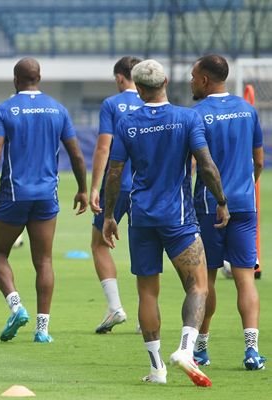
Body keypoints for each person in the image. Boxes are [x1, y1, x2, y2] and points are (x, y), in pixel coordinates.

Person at [103, 59, 228, 387]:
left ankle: (157, 369)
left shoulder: (127, 122)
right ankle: (186, 349)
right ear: (166, 82)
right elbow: (206, 165)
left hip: (141, 217)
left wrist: (108, 216)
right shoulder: (187, 118)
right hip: (178, 217)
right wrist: (222, 202)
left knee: (147, 292)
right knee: (198, 284)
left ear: (139, 89)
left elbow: (114, 173)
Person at [0, 57, 88, 344]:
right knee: (44, 261)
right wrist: (82, 188)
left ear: (16, 80)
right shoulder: (58, 110)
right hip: (46, 196)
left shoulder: (4, 110)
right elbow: (77, 155)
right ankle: (43, 329)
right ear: (39, 77)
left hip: (14, 194)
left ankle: (16, 306)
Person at [189, 54, 266, 370]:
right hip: (245, 205)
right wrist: (245, 188)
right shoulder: (248, 111)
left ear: (205, 79)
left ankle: (202, 349)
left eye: (194, 76)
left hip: (210, 207)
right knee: (245, 278)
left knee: (205, 280)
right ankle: (251, 351)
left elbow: (194, 164)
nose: (191, 81)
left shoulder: (197, 114)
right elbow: (259, 160)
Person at [89, 56, 143, 334]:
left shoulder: (112, 105)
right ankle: (144, 316)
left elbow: (103, 147)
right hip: (147, 187)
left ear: (121, 78)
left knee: (99, 243)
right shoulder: (153, 101)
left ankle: (115, 308)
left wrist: (95, 187)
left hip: (118, 184)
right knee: (145, 247)